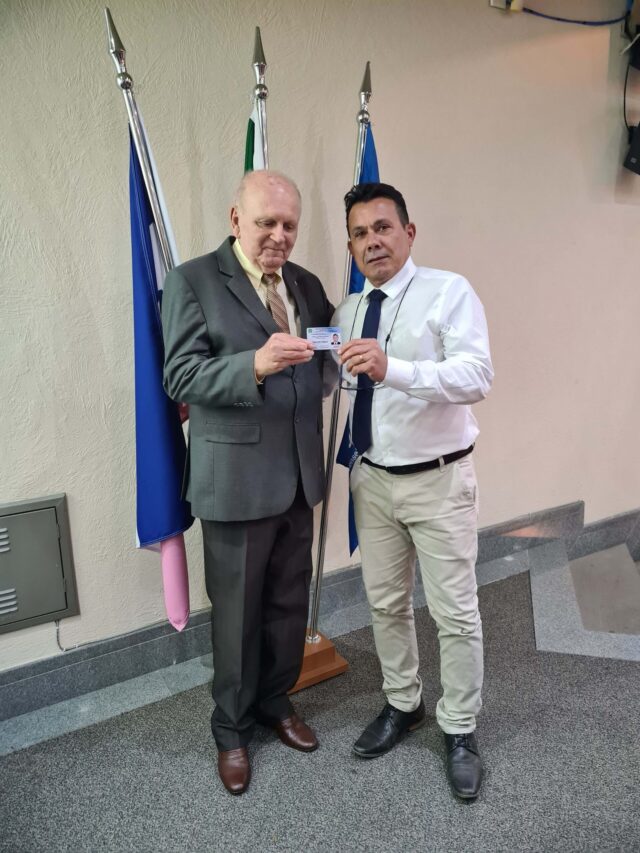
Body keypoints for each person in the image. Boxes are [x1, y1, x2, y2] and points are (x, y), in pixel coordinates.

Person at [162, 170, 335, 796]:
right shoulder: (193, 281)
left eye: (289, 225)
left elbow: (322, 356)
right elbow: (181, 376)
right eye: (266, 223)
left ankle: (274, 701)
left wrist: (338, 366)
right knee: (236, 614)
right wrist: (254, 366)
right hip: (234, 481)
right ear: (236, 219)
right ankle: (230, 729)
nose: (279, 236)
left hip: (298, 476)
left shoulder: (306, 284)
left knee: (288, 604)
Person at [332, 182, 493, 800]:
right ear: (351, 245)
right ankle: (404, 703)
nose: (372, 241)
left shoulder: (448, 291)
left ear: (408, 232)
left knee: (454, 613)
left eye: (382, 228)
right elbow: (334, 380)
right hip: (372, 480)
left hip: (438, 480)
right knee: (385, 605)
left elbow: (476, 376)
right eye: (359, 233)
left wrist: (392, 368)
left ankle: (460, 727)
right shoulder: (347, 312)